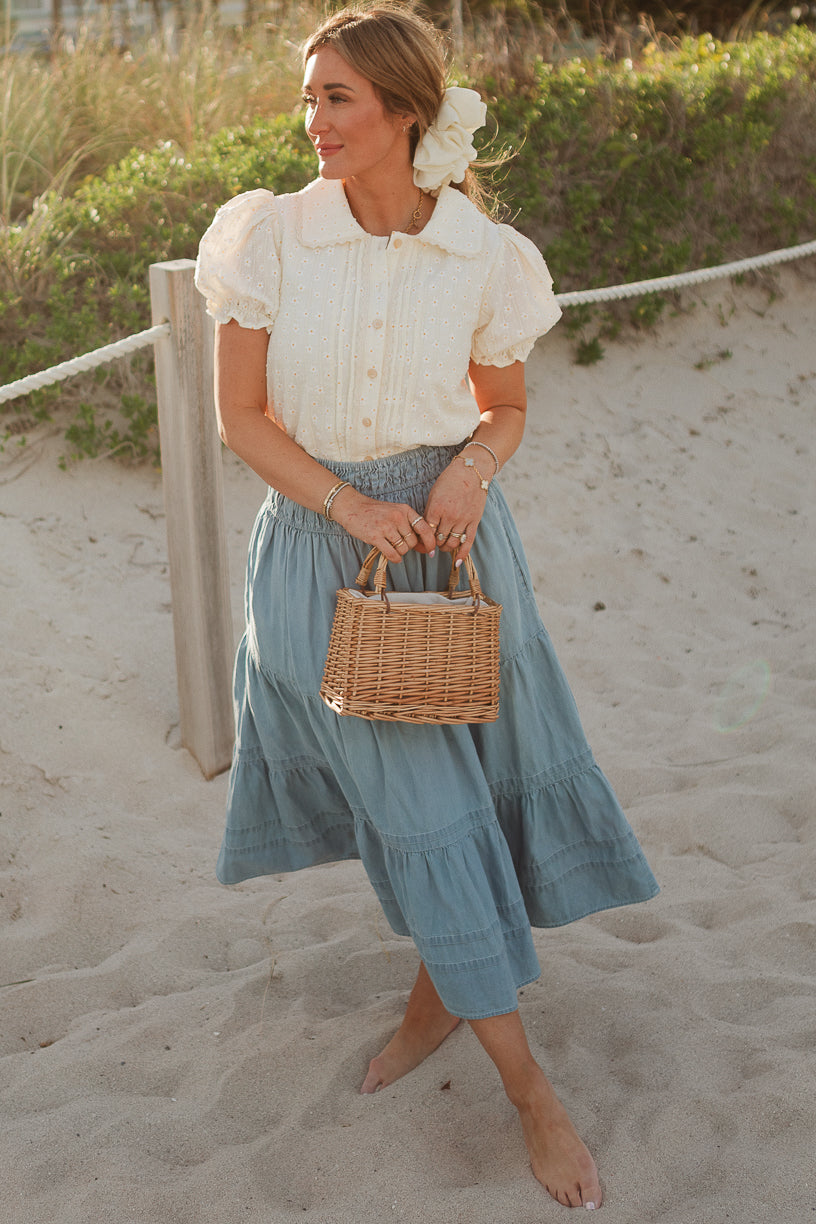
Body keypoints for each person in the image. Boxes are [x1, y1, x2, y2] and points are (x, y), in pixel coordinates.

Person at [195, 3, 658, 1210]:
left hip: (460, 549)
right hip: (326, 556)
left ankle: (439, 997)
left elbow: (502, 406)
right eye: (309, 97)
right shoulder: (267, 240)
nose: (314, 122)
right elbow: (241, 418)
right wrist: (352, 510)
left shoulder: (485, 257)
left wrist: (469, 468)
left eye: (338, 97)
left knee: (480, 792)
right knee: (425, 811)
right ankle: (533, 1099)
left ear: (407, 110)